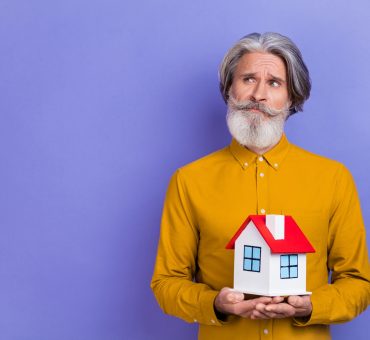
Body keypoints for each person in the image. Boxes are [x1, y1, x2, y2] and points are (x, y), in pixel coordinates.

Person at [151, 32, 370, 340]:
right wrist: (215, 303)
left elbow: (358, 282)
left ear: (291, 97)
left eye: (275, 82)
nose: (259, 95)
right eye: (248, 79)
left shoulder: (334, 178)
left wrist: (310, 306)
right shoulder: (189, 181)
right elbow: (166, 282)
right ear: (230, 89)